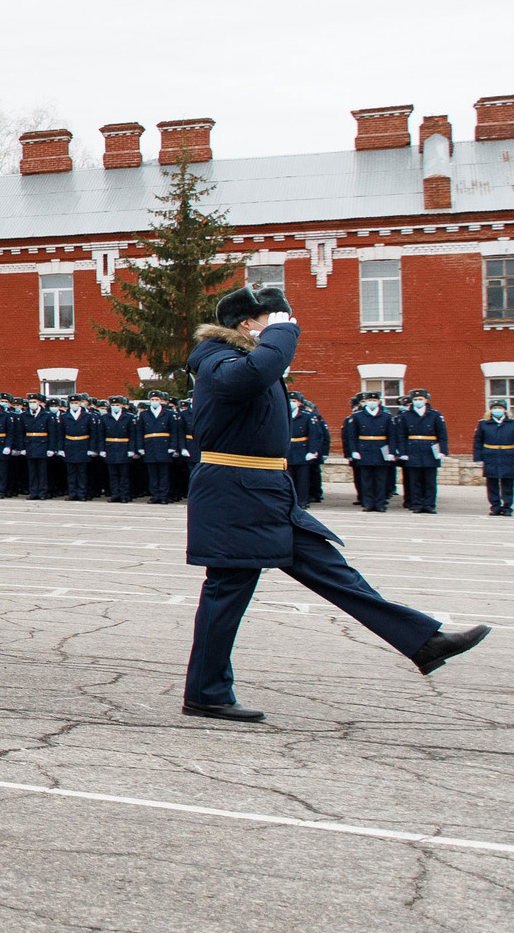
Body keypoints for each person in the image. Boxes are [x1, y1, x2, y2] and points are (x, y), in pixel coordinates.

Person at [180, 284, 487, 720]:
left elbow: (260, 374)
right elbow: (249, 375)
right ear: (247, 324)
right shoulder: (214, 357)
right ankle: (206, 692)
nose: (283, 330)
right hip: (235, 493)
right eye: (274, 321)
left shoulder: (249, 359)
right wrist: (284, 332)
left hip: (265, 492)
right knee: (227, 591)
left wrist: (278, 335)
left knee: (333, 570)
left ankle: (423, 640)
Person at [342, 393, 398, 511]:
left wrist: (391, 452)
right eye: (369, 400)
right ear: (365, 402)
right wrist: (353, 451)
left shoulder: (386, 416)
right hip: (364, 449)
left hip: (381, 450)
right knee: (366, 480)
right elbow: (352, 436)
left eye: (374, 400)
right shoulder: (357, 416)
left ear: (378, 402)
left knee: (381, 479)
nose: (372, 402)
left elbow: (392, 436)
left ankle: (380, 504)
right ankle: (368, 503)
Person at [394, 389, 447, 514]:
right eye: (416, 400)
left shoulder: (435, 415)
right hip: (412, 449)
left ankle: (429, 505)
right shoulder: (406, 416)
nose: (418, 401)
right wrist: (402, 452)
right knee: (414, 480)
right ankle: (416, 504)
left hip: (430, 450)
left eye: (421, 399)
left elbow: (442, 435)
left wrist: (442, 451)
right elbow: (401, 435)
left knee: (429, 481)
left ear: (426, 400)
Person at [475, 400, 514, 516]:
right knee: (492, 483)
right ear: (490, 410)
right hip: (490, 456)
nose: (497, 410)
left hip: (508, 456)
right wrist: (478, 458)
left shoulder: (511, 423)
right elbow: (478, 441)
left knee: (508, 483)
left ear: (505, 409)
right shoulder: (484, 424)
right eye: (495, 407)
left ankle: (507, 506)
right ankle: (495, 506)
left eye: (500, 407)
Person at [19, 393, 53, 500]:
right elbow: (21, 433)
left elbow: (52, 433)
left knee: (42, 471)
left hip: (43, 444)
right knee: (32, 471)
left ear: (39, 403)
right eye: (30, 402)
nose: (32, 404)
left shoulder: (46, 415)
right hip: (30, 445)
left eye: (34, 402)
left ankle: (42, 492)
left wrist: (51, 448)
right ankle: (33, 492)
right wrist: (22, 447)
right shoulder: (24, 415)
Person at [62, 397, 95, 500]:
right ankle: (72, 492)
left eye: (76, 402)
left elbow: (93, 433)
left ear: (80, 403)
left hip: (83, 445)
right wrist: (60, 448)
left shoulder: (87, 416)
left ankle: (81, 493)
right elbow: (60, 433)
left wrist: (91, 448)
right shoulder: (64, 416)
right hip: (69, 445)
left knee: (82, 472)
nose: (74, 404)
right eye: (72, 403)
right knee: (71, 471)